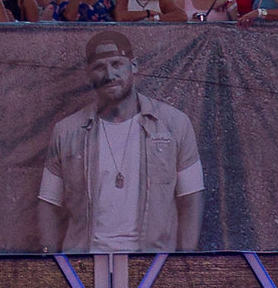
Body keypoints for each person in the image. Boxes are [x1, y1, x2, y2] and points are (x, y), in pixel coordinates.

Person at [34, 31, 205, 255]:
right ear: (89, 74)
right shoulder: (67, 131)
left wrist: (184, 263)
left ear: (133, 66)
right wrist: (50, 261)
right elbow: (48, 203)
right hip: (83, 263)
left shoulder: (174, 124)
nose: (109, 74)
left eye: (117, 64)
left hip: (153, 262)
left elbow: (192, 198)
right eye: (99, 67)